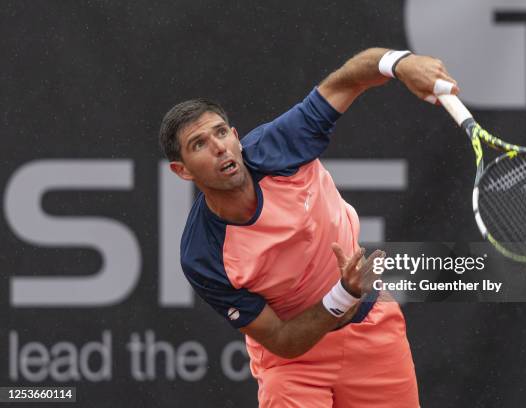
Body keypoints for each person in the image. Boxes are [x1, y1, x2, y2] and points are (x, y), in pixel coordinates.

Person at [159, 48, 458, 407]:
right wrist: (342, 295)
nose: (219, 148)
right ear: (183, 170)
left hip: (372, 331)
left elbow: (347, 79)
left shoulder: (278, 146)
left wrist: (401, 63)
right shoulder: (202, 254)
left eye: (221, 133)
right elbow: (283, 340)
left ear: (236, 136)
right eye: (199, 145)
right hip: (293, 365)